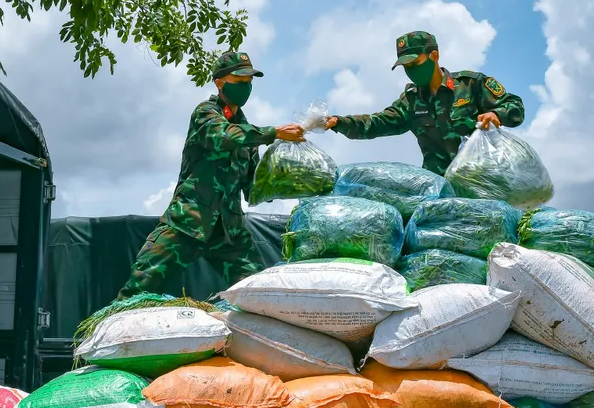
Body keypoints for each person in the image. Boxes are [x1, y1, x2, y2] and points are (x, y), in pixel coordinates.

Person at [118, 51, 305, 299]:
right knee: (138, 288)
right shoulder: (206, 114)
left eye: (249, 82)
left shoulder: (250, 137)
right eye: (239, 81)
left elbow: (252, 189)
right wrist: (275, 132)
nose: (246, 87)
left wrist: (288, 179)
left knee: (259, 293)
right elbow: (222, 136)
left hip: (229, 233)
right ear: (219, 83)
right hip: (187, 222)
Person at [326, 31, 525, 175]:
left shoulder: (471, 84)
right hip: (441, 190)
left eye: (414, 64)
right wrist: (337, 122)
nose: (411, 70)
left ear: (434, 56)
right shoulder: (411, 102)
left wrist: (497, 114)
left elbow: (515, 106)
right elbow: (375, 124)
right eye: (406, 67)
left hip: (484, 183)